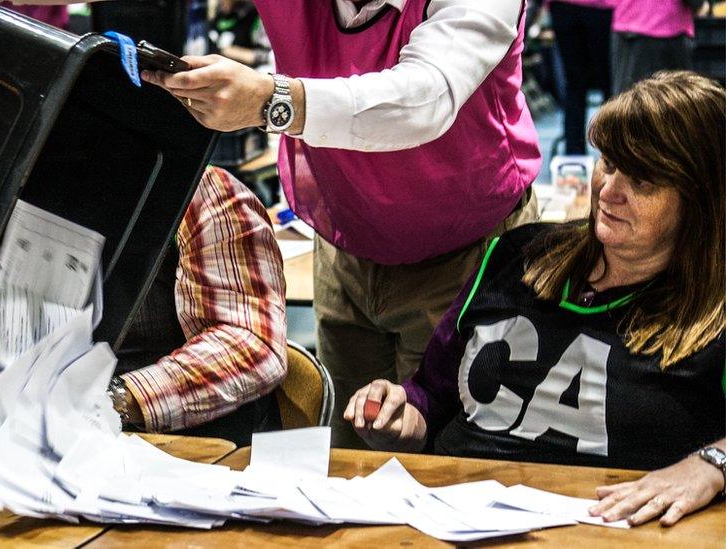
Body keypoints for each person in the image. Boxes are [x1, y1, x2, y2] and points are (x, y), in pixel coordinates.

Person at [140, 0, 542, 448]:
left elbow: (423, 99)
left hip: (469, 255)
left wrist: (271, 102)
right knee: (348, 453)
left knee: (447, 459)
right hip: (347, 245)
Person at [345, 71, 725, 527]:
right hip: (447, 515)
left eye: (642, 182)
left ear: (702, 200)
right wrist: (401, 411)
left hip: (600, 531)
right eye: (608, 161)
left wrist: (712, 464)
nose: (609, 190)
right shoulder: (517, 254)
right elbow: (433, 393)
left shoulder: (714, 310)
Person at [0, 166, 289, 446]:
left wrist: (111, 402)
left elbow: (250, 345)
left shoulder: (197, 192)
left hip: (190, 468)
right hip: (32, 486)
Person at [548, 0, 614, 155]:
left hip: (564, 8)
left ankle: (574, 154)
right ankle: (613, 155)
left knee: (575, 85)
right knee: (607, 84)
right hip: (598, 8)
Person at [611, 0, 708, 94]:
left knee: (628, 98)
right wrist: (699, 4)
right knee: (676, 99)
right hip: (669, 30)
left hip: (630, 26)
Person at [208, 0, 271, 69]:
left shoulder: (254, 15)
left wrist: (235, 53)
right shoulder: (216, 15)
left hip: (245, 73)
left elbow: (269, 56)